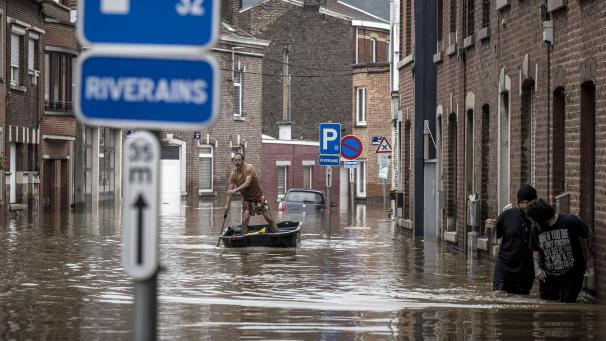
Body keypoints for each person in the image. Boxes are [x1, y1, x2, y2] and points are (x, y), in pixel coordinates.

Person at [526, 198, 590, 302]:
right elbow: (535, 250)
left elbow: (587, 237)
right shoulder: (536, 229)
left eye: (535, 220)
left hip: (572, 275)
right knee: (547, 309)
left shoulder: (571, 222)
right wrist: (537, 270)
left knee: (567, 306)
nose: (534, 223)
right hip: (548, 276)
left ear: (542, 218)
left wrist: (589, 264)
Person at [492, 184, 538, 295]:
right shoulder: (507, 215)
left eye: (528, 203)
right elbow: (494, 237)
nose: (525, 206)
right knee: (499, 294)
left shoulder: (538, 220)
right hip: (505, 265)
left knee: (521, 299)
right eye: (522, 203)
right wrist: (490, 227)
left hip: (525, 268)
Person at [224, 152, 279, 234]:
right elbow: (229, 191)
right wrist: (227, 205)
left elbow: (247, 183)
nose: (237, 162)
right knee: (244, 221)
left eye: (239, 160)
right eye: (235, 160)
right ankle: (244, 240)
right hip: (247, 200)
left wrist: (235, 190)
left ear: (243, 160)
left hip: (258, 197)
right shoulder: (233, 174)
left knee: (269, 218)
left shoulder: (249, 168)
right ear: (233, 162)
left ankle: (277, 234)